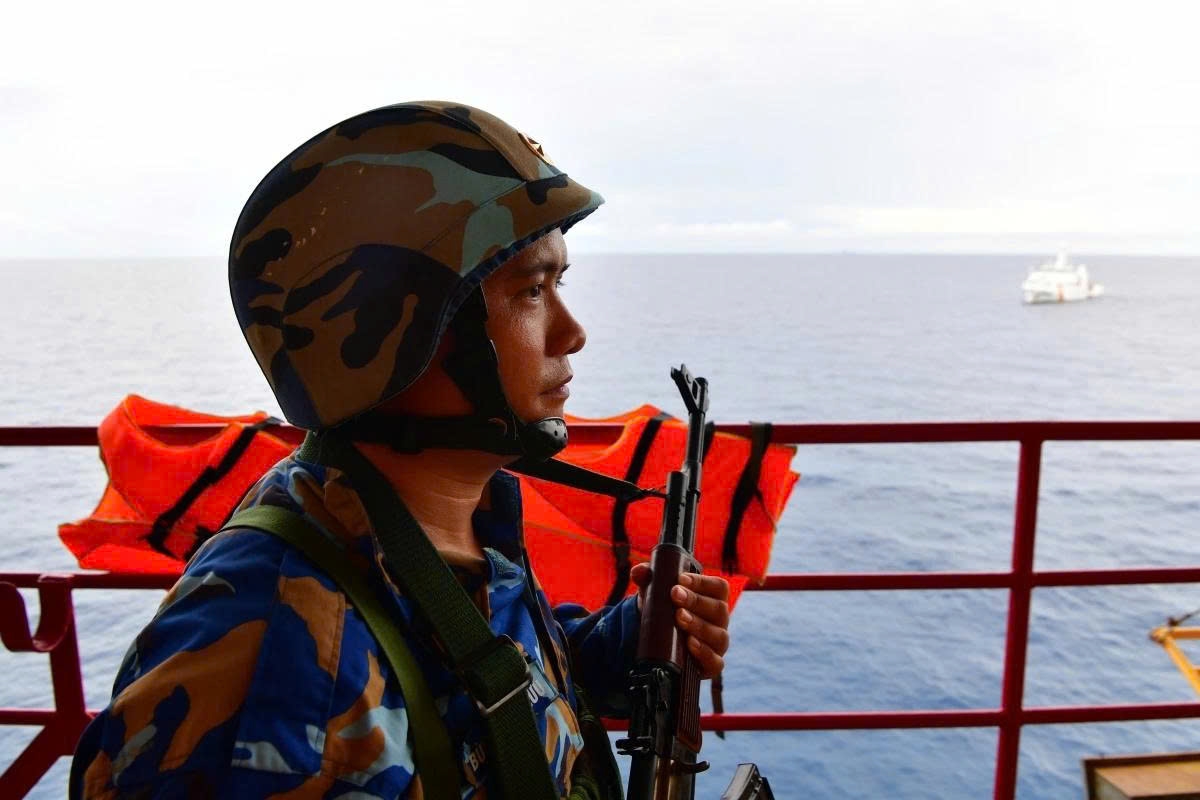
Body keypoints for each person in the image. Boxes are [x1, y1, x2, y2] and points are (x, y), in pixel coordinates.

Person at [69, 101, 731, 799]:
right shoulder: (282, 681)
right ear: (392, 332)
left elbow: (469, 686)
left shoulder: (437, 521)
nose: (572, 333)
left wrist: (626, 649)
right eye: (531, 290)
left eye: (558, 284)